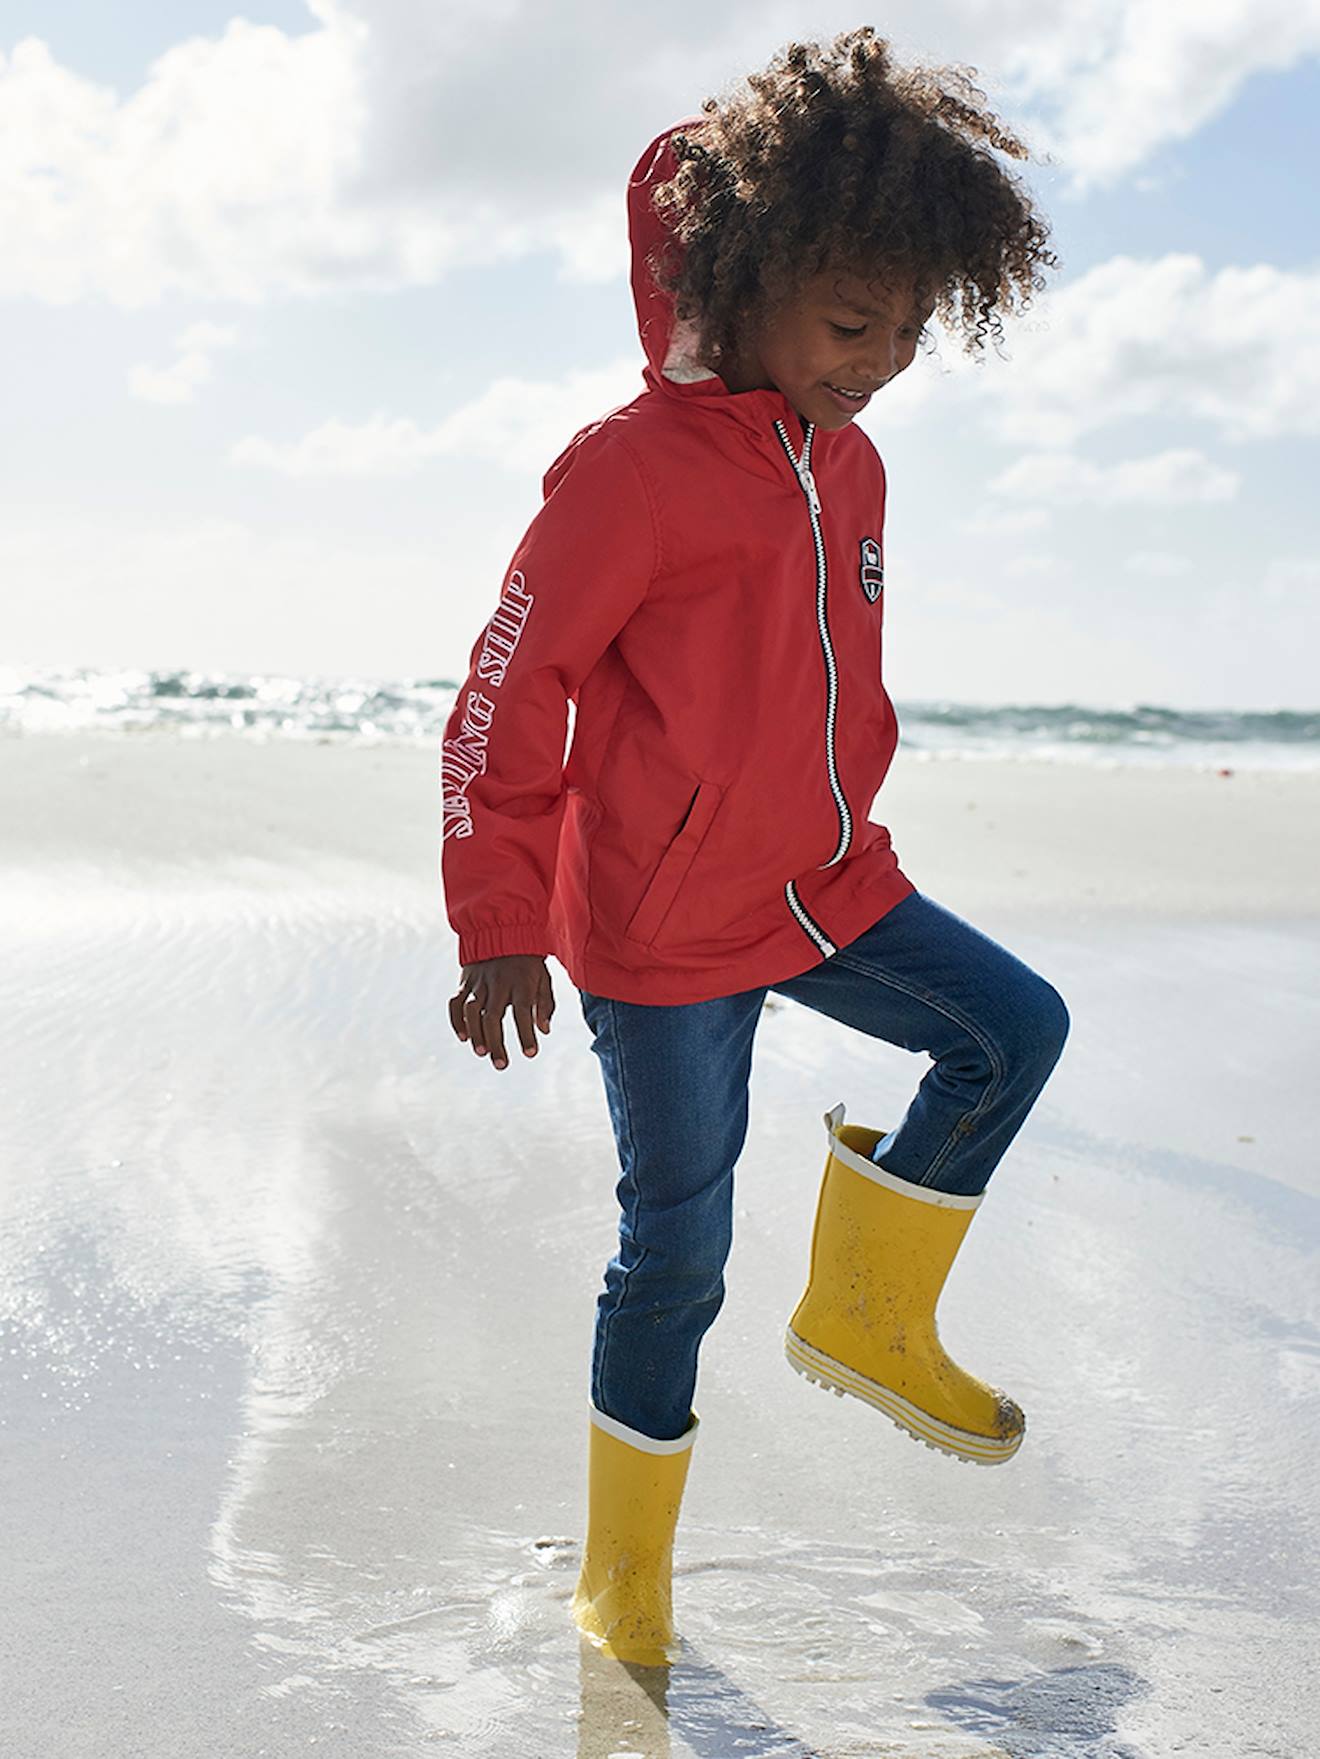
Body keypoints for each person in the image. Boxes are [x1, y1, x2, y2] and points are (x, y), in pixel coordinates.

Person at [440, 27, 1069, 1668]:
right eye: (853, 322)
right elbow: (508, 696)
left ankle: (868, 1315)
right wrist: (499, 908)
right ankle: (624, 1571)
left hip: (828, 884)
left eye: (917, 328)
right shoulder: (628, 473)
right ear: (745, 277)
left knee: (1016, 1031)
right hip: (657, 933)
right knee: (678, 1252)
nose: (881, 361)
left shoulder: (847, 465)